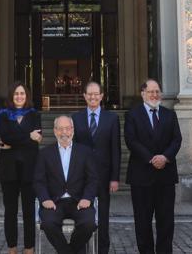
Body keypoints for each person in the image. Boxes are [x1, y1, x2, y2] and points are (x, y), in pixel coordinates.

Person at [124, 78, 181, 254]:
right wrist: (151, 158)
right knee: (142, 222)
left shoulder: (169, 114)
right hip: (141, 176)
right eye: (150, 92)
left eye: (157, 91)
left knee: (166, 222)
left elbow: (176, 139)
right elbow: (131, 140)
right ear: (143, 94)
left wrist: (165, 157)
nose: (154, 95)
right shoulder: (132, 115)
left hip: (166, 176)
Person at [34, 116, 99, 254]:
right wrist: (45, 199)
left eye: (68, 128)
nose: (64, 132)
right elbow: (39, 181)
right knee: (48, 223)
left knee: (89, 223)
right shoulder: (45, 153)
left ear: (73, 130)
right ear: (55, 131)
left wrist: (87, 197)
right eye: (61, 129)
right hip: (54, 201)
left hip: (79, 200)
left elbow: (93, 179)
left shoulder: (85, 152)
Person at [71, 81, 120, 254]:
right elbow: (73, 149)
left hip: (104, 177)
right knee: (83, 217)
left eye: (96, 94)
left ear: (101, 96)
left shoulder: (112, 118)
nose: (93, 97)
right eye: (89, 94)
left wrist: (115, 178)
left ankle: (102, 250)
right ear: (84, 96)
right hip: (82, 178)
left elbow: (116, 149)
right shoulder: (75, 118)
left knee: (103, 217)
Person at [0, 81, 42, 254]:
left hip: (29, 170)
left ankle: (29, 247)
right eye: (16, 94)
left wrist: (12, 141)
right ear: (11, 96)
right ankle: (12, 247)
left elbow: (36, 138)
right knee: (10, 211)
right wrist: (27, 137)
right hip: (8, 170)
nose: (19, 96)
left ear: (27, 96)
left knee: (29, 211)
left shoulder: (34, 114)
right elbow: (4, 136)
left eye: (22, 93)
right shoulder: (3, 115)